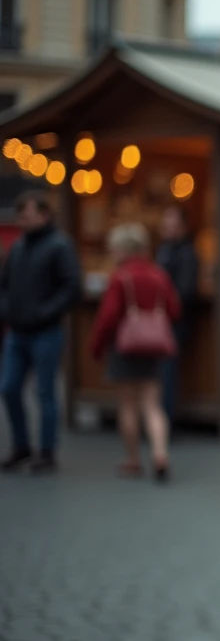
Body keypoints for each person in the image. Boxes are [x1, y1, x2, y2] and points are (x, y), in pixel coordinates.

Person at [89, 223, 180, 481]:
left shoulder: (121, 277)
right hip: (153, 346)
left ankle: (133, 459)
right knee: (152, 404)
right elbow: (174, 310)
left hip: (125, 345)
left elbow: (108, 317)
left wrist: (96, 347)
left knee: (128, 403)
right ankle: (160, 453)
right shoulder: (158, 274)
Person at [0, 192, 80, 474]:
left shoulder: (59, 246)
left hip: (45, 331)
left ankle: (47, 451)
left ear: (43, 215)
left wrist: (45, 313)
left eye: (27, 215)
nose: (22, 221)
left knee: (45, 392)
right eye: (20, 216)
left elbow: (71, 287)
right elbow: (5, 284)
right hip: (17, 331)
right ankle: (21, 446)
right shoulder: (18, 248)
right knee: (8, 388)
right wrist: (7, 309)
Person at [155, 204, 198, 423]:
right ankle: (158, 421)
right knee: (160, 374)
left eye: (172, 222)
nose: (167, 227)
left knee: (167, 373)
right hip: (160, 321)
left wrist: (166, 308)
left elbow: (185, 291)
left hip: (173, 322)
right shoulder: (164, 249)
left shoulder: (186, 253)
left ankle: (166, 421)